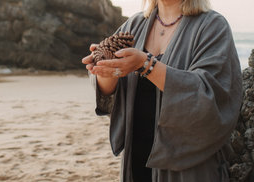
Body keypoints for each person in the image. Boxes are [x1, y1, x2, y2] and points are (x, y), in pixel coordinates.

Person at [82, 0, 242, 181]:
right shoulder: (135, 24)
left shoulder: (212, 26)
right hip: (136, 160)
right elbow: (110, 94)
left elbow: (211, 95)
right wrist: (103, 67)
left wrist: (146, 64)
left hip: (187, 166)